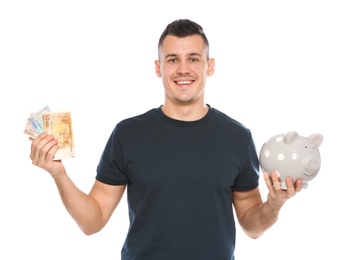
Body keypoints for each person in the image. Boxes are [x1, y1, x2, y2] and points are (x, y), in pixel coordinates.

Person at [30, 19, 303, 260]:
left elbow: (251, 226)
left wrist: (275, 203)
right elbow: (93, 221)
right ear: (159, 68)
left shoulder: (237, 137)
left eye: (194, 58)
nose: (183, 69)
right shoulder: (127, 134)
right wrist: (59, 174)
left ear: (210, 66)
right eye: (173, 59)